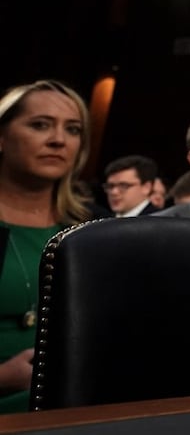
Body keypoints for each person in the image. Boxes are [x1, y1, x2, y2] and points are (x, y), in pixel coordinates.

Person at [0, 80, 94, 412]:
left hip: (78, 408)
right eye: (40, 125)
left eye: (73, 129)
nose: (58, 140)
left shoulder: (95, 229)